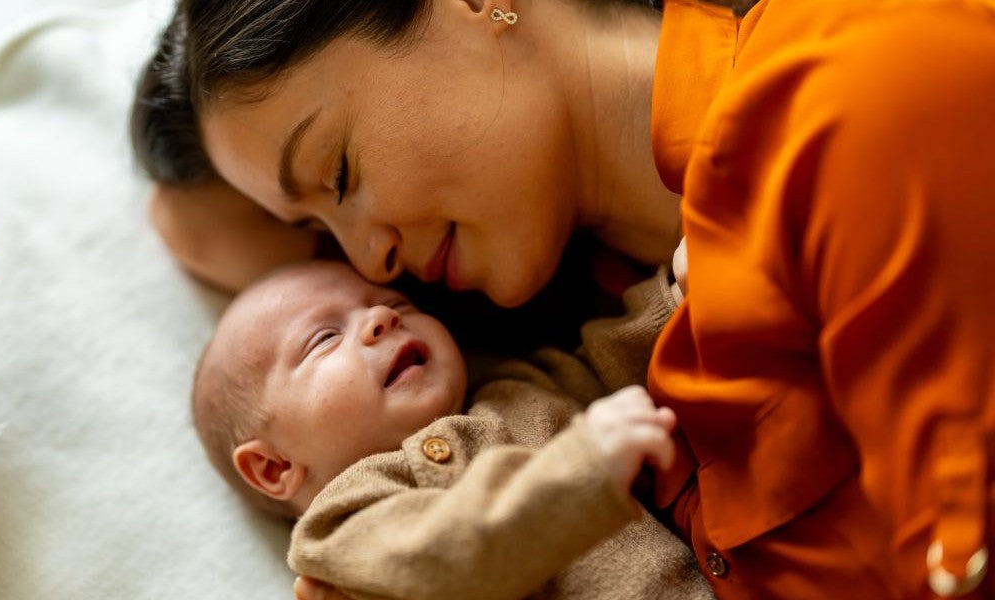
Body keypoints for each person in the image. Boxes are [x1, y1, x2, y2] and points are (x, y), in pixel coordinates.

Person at [133, 0, 995, 597]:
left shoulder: (855, 99)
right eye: (320, 234)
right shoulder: (586, 362)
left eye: (342, 172)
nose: (370, 265)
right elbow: (188, 220)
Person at [193, 260, 712, 599]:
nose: (380, 317)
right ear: (274, 465)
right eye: (325, 338)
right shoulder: (343, 529)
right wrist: (581, 471)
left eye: (397, 304)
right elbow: (440, 558)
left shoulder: (516, 389)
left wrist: (674, 298)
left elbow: (607, 358)